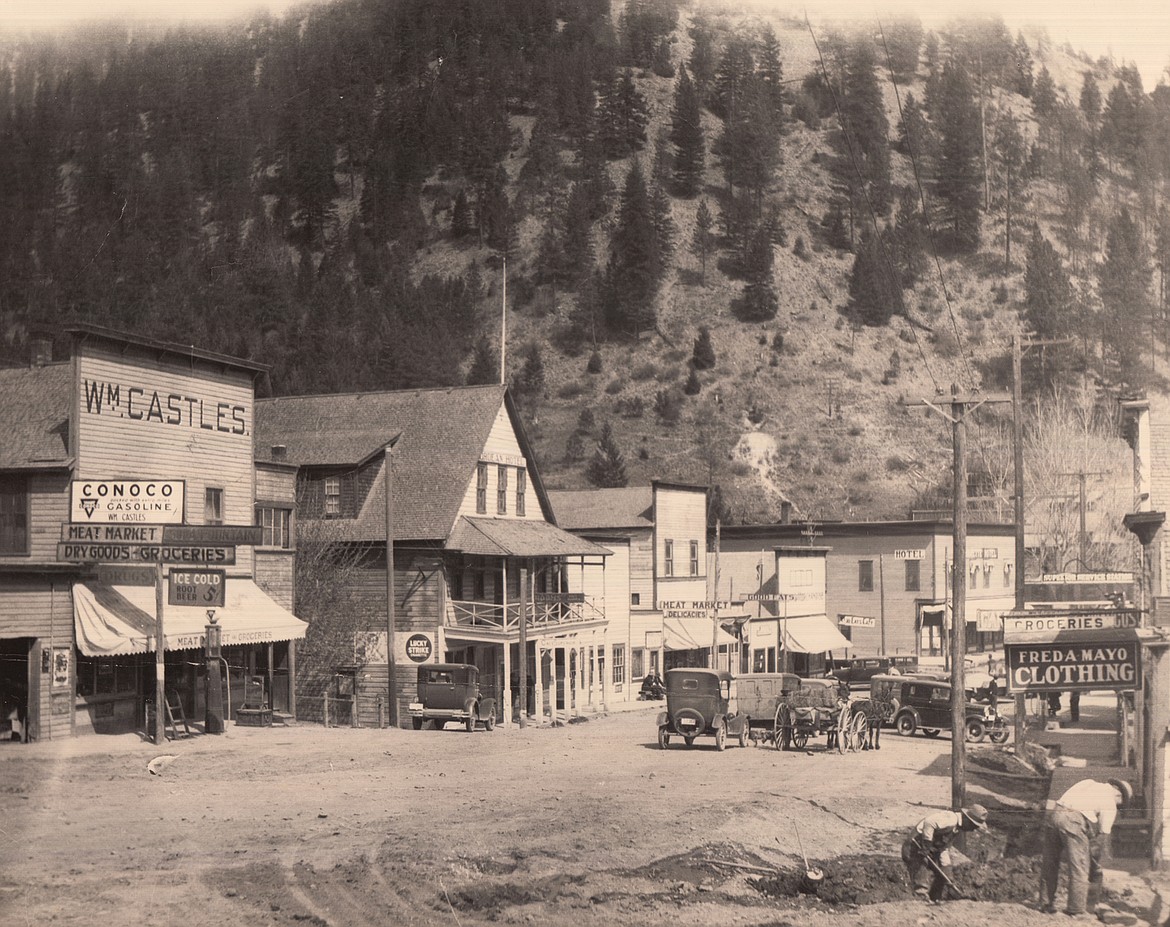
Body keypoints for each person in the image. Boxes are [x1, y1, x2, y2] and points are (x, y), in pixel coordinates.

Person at [1039, 778, 1133, 916]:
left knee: (1050, 863)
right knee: (1080, 867)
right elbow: (1102, 837)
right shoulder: (1110, 802)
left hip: (1054, 815)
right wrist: (1094, 863)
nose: (1118, 807)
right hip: (1072, 820)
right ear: (1119, 794)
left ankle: (1045, 904)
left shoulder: (1088, 782)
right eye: (1121, 804)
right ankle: (1076, 909)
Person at [901, 805, 989, 902]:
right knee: (922, 865)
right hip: (914, 847)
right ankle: (921, 897)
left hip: (928, 849)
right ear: (966, 819)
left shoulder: (956, 829)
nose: (972, 830)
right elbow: (929, 822)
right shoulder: (950, 819)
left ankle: (935, 898)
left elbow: (943, 849)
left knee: (942, 875)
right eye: (973, 825)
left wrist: (947, 870)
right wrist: (927, 845)